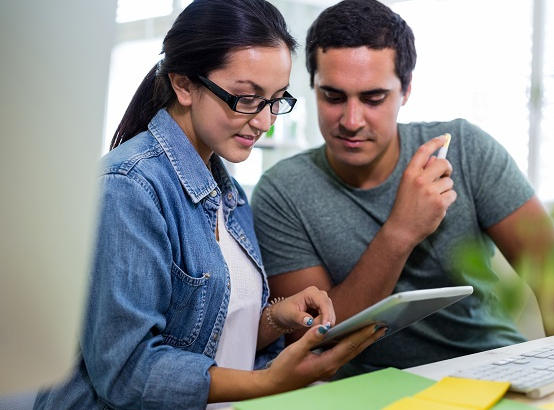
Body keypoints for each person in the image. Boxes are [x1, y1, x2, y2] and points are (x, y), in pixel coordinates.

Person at [33, 1, 384, 408]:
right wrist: (270, 382)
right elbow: (128, 373)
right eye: (247, 98)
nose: (265, 121)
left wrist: (272, 319)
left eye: (276, 100)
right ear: (184, 85)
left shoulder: (227, 190)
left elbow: (202, 338)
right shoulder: (128, 187)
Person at [251, 0, 554, 376]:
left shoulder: (466, 150)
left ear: (406, 90)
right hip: (368, 390)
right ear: (313, 87)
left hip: (492, 370)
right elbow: (317, 336)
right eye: (333, 97)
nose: (351, 120)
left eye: (373, 98)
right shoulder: (282, 192)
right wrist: (401, 231)